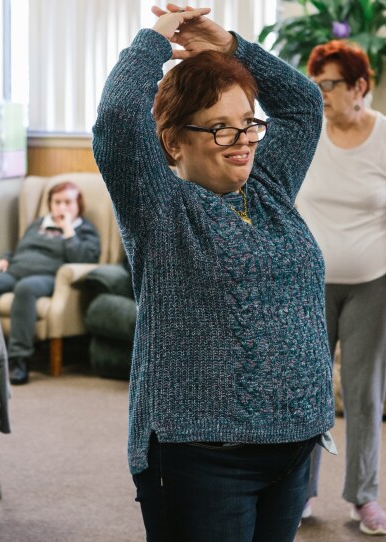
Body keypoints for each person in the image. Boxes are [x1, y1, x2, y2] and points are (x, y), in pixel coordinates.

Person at [92, 5, 334, 541]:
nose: (243, 140)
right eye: (221, 130)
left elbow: (303, 104)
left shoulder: (266, 187)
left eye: (248, 123)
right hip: (202, 456)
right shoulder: (161, 208)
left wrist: (230, 49)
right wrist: (153, 41)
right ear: (174, 141)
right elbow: (115, 121)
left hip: (293, 445)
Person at [295, 39, 386, 536]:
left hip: (375, 282)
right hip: (310, 283)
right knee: (306, 388)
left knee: (364, 392)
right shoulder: (306, 133)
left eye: (329, 84)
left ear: (359, 87)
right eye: (316, 84)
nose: (321, 93)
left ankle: (364, 497)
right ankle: (299, 492)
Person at [0, 180, 100, 385]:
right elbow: (19, 248)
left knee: (25, 289)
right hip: (15, 271)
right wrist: (4, 258)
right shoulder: (37, 224)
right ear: (49, 204)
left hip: (47, 276)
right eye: (57, 202)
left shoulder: (84, 230)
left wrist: (68, 230)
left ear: (78, 204)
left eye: (68, 202)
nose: (62, 207)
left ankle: (19, 360)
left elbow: (85, 259)